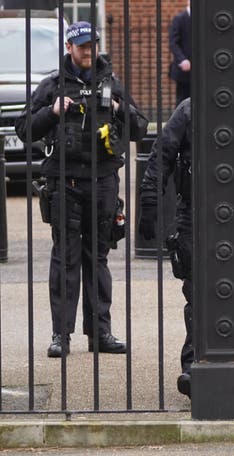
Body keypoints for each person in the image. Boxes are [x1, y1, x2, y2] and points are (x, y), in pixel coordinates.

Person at [15, 21, 148, 358]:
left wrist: (119, 109)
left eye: (94, 45)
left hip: (103, 182)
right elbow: (24, 129)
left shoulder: (112, 84)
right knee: (65, 259)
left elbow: (140, 129)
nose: (89, 51)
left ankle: (100, 332)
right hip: (64, 183)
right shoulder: (53, 85)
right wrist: (53, 111)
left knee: (98, 259)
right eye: (83, 46)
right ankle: (62, 335)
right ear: (69, 48)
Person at [138, 94, 234, 398]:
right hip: (194, 213)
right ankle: (194, 365)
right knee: (197, 291)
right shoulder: (190, 108)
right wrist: (150, 200)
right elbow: (162, 155)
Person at [168, 1, 192, 106]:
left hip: (200, 70)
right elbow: (173, 43)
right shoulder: (179, 19)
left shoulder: (202, 19)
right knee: (183, 101)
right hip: (184, 70)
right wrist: (183, 59)